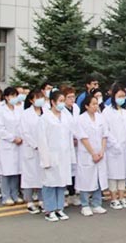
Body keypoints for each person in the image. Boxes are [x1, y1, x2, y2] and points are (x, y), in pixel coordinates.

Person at [37, 90, 75, 222]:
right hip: (51, 155)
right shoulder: (45, 118)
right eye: (60, 101)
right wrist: (45, 159)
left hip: (64, 155)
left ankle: (59, 208)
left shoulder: (66, 117)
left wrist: (71, 156)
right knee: (50, 183)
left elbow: (70, 136)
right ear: (52, 102)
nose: (62, 103)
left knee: (61, 183)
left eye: (63, 101)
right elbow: (42, 140)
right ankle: (50, 210)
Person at [103, 85, 126, 210]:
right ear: (113, 97)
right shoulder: (107, 111)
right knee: (113, 174)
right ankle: (114, 198)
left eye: (123, 96)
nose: (121, 98)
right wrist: (114, 144)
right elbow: (106, 130)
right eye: (119, 96)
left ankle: (122, 197)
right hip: (113, 148)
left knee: (123, 173)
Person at [75, 92, 109, 216]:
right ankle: (85, 204)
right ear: (86, 106)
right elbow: (83, 138)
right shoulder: (81, 119)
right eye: (93, 104)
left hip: (100, 152)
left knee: (98, 178)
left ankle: (96, 203)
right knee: (86, 179)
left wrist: (102, 151)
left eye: (96, 104)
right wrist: (93, 153)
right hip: (87, 153)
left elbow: (105, 135)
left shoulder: (101, 118)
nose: (95, 106)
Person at [0, 87, 24, 205]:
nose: (14, 98)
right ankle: (6, 195)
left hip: (18, 144)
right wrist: (13, 138)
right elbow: (0, 129)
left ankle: (15, 194)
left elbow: (22, 125)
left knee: (16, 171)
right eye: (12, 96)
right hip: (6, 144)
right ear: (6, 97)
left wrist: (20, 137)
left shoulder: (19, 109)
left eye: (15, 96)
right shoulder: (0, 111)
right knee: (6, 172)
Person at [20, 89, 45, 214]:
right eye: (37, 97)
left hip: (44, 149)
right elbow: (25, 132)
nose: (40, 100)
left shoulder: (46, 112)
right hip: (31, 149)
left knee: (42, 176)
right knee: (29, 176)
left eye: (41, 97)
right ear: (31, 100)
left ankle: (41, 200)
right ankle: (29, 201)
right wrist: (36, 144)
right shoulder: (26, 114)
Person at [61, 86, 81, 207]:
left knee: (74, 170)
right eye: (69, 97)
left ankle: (73, 195)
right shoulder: (61, 110)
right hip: (66, 143)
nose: (72, 99)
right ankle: (63, 196)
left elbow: (78, 125)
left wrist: (77, 137)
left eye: (73, 97)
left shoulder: (76, 108)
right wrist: (71, 138)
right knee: (65, 169)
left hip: (76, 143)